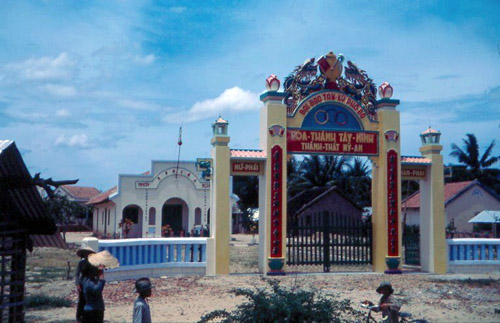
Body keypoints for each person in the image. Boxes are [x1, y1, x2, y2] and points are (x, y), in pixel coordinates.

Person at [75, 246, 95, 322]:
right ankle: (79, 316)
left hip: (91, 283)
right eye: (86, 253)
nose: (87, 254)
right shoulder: (81, 263)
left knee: (90, 299)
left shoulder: (93, 263)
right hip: (82, 282)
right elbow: (77, 274)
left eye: (88, 253)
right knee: (81, 300)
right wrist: (77, 284)